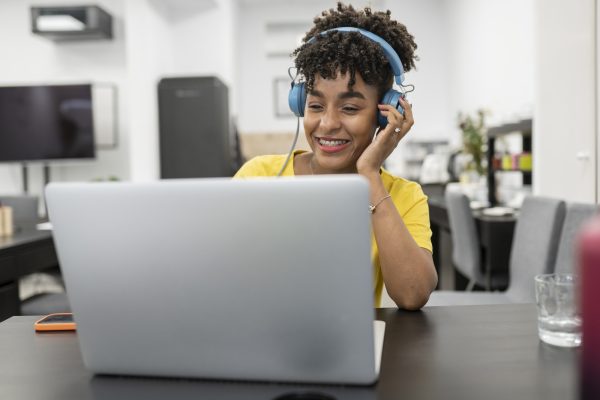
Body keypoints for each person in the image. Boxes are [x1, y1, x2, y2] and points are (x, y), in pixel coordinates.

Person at [234, 2, 437, 310]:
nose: (327, 124)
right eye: (315, 106)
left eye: (350, 108)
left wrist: (369, 173)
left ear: (385, 115)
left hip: (353, 345)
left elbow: (412, 294)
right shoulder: (259, 174)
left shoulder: (403, 196)